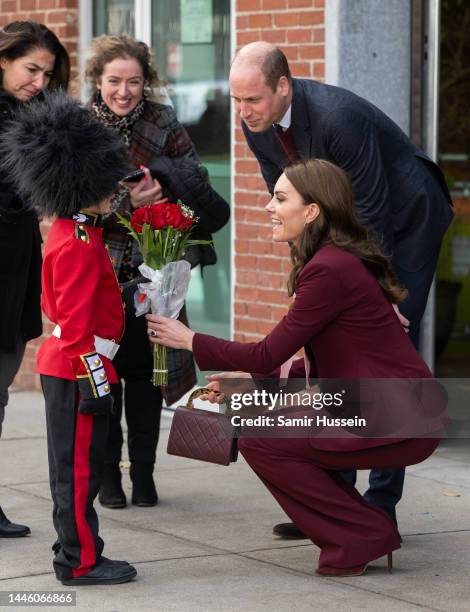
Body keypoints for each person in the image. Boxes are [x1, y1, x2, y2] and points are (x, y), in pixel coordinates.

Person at [146, 158, 447, 576]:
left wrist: (190, 339)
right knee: (250, 415)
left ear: (312, 211)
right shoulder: (334, 260)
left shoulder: (328, 268)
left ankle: (360, 532)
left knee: (259, 435)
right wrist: (255, 382)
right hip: (386, 404)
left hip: (394, 413)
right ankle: (359, 529)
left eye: (281, 197)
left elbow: (269, 353)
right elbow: (332, 356)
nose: (270, 206)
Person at [228, 41, 454, 535]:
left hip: (405, 216)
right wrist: (310, 283)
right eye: (237, 102)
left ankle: (380, 504)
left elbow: (370, 213)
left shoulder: (338, 118)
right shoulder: (258, 125)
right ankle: (338, 501)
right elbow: (288, 206)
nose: (244, 113)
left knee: (387, 353)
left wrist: (379, 296)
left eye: (253, 101)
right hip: (355, 224)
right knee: (328, 346)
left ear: (283, 86)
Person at [85, 34, 230, 509]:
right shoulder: (79, 127)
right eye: (114, 81)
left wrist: (164, 191)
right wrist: (127, 200)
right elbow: (66, 204)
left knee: (149, 375)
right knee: (102, 378)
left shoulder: (162, 119)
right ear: (97, 80)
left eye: (134, 81)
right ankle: (108, 478)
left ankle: (144, 476)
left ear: (147, 81)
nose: (124, 91)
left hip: (156, 265)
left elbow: (194, 177)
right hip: (100, 270)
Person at [0, 91, 138, 586]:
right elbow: (77, 327)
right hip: (77, 366)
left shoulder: (76, 231)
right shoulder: (79, 242)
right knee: (78, 473)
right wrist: (95, 381)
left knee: (76, 469)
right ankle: (78, 562)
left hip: (73, 364)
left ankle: (77, 544)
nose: (115, 194)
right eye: (109, 187)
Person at [0, 20, 70, 538]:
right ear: (2, 59)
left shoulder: (34, 117)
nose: (39, 82)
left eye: (47, 73)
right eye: (30, 69)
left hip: (15, 265)